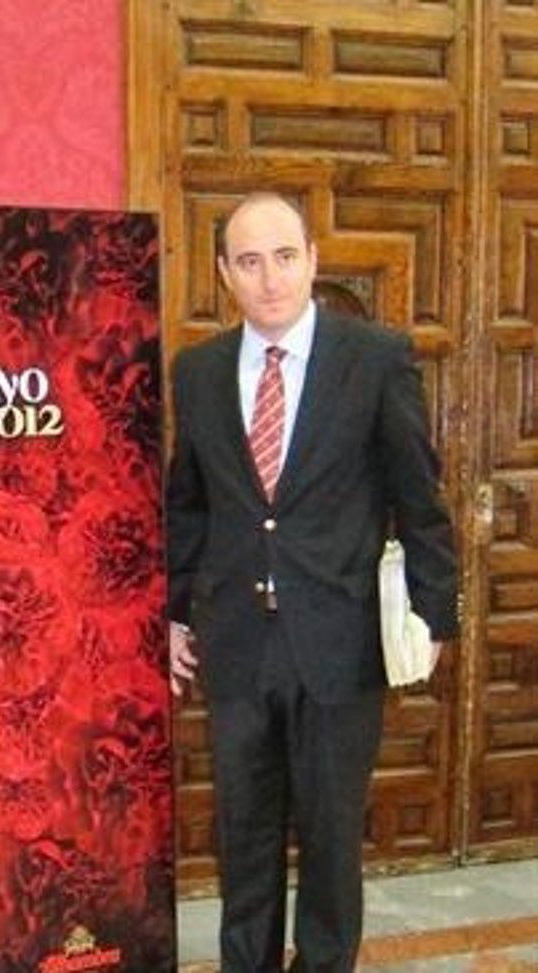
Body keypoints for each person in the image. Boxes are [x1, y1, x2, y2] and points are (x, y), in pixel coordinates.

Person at [166, 191, 458, 972]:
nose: (270, 278)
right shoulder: (197, 372)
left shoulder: (375, 358)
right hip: (236, 644)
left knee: (330, 838)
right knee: (244, 835)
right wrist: (174, 612)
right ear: (224, 272)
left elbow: (418, 495)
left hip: (339, 642)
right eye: (250, 261)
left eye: (285, 257)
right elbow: (188, 501)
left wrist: (435, 612)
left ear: (313, 261)